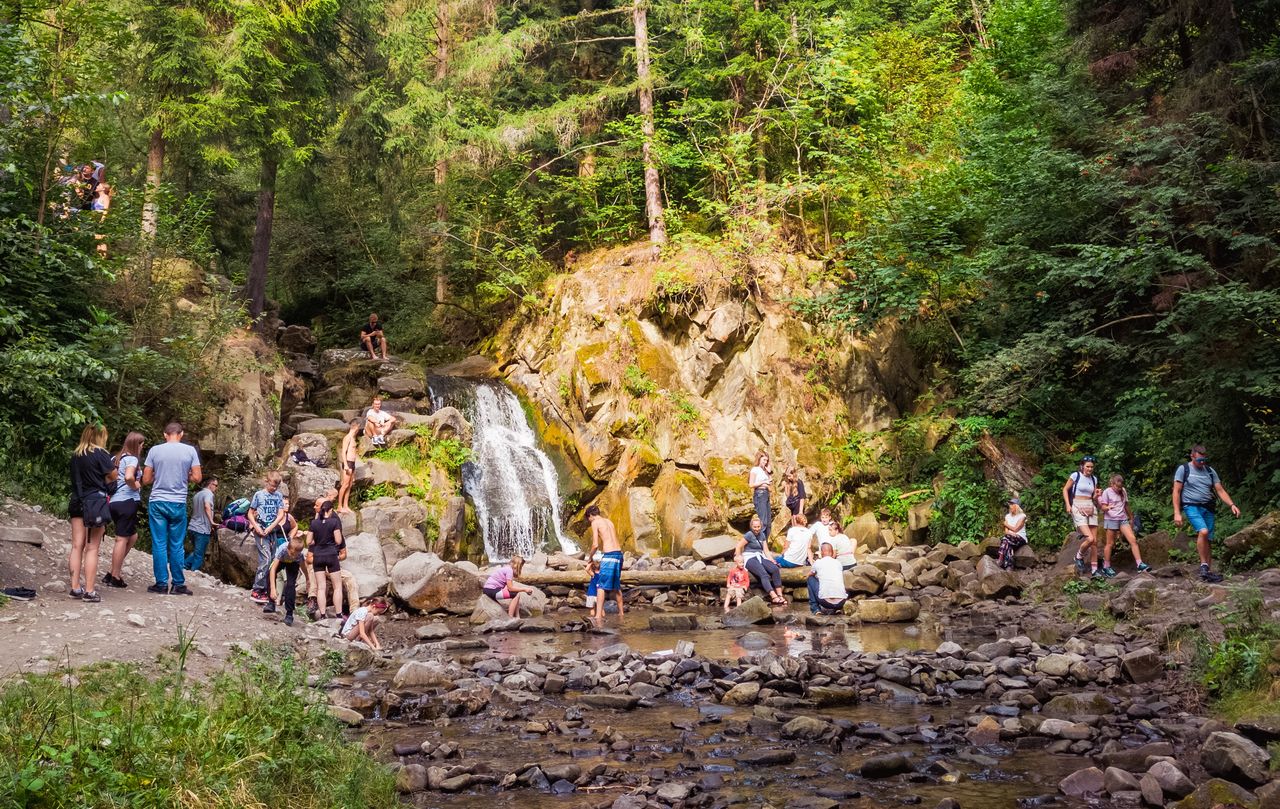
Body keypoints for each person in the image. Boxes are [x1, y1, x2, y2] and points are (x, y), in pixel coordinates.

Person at [141, 422, 202, 595]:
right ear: (181, 434)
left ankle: (161, 584)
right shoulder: (190, 451)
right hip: (178, 502)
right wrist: (186, 475)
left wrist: (158, 474)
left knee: (159, 543)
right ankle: (178, 584)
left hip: (158, 501)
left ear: (165, 434)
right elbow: (198, 478)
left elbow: (146, 480)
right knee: (176, 544)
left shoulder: (155, 450)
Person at [1173, 445, 1241, 583]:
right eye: (1199, 460)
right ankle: (1203, 565)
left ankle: (1207, 573)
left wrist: (1232, 504)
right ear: (1192, 456)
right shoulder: (1184, 469)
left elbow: (1220, 490)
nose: (1202, 463)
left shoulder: (1210, 471)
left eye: (1204, 460)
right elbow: (1176, 491)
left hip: (1208, 507)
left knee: (1208, 540)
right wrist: (1177, 512)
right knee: (1203, 532)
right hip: (1191, 506)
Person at [69, 424, 116, 603]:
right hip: (95, 502)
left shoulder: (76, 455)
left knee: (76, 546)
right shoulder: (101, 454)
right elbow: (114, 475)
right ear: (100, 436)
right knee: (92, 548)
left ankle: (75, 587)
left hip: (77, 501)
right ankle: (89, 591)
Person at [104, 431, 144, 588]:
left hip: (113, 502)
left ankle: (112, 571)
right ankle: (115, 576)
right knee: (122, 539)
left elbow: (107, 477)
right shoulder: (132, 459)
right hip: (126, 502)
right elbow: (128, 477)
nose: (142, 448)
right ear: (136, 445)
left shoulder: (115, 458)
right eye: (141, 445)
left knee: (132, 536)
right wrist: (136, 485)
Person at [247, 471, 288, 604]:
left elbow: (281, 514)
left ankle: (266, 589)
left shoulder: (278, 496)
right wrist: (256, 527)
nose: (273, 489)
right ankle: (257, 589)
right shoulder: (259, 495)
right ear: (266, 482)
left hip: (272, 531)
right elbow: (250, 513)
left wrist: (271, 527)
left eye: (276, 487)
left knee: (272, 559)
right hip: (260, 531)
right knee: (265, 558)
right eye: (271, 486)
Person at [1096, 475, 1148, 576]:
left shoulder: (1123, 491)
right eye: (1117, 487)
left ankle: (1140, 564)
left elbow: (1126, 505)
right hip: (1111, 519)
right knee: (1110, 544)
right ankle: (1106, 566)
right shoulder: (1107, 492)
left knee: (1132, 540)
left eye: (1120, 487)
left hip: (1123, 519)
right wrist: (1107, 508)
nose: (1119, 489)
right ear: (1112, 484)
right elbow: (1102, 507)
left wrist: (1131, 517)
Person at [734, 515, 787, 606]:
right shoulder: (749, 535)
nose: (757, 529)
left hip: (760, 556)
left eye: (758, 527)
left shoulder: (762, 535)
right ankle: (773, 596)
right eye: (755, 527)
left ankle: (780, 595)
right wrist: (738, 559)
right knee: (763, 574)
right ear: (751, 526)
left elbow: (765, 550)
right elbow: (738, 546)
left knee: (774, 569)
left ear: (761, 526)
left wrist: (771, 560)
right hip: (750, 558)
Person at [1063, 455, 1102, 577]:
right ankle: (1078, 556)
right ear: (1082, 466)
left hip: (1090, 506)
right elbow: (1065, 490)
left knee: (1094, 541)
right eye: (1087, 466)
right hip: (1077, 505)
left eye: (1091, 467)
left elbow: (1093, 497)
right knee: (1089, 538)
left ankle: (1095, 570)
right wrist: (1068, 505)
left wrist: (1097, 495)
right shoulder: (1076, 476)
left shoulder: (1094, 479)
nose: (1090, 469)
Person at [264, 533, 314, 626]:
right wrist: (273, 590)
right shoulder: (283, 550)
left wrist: (307, 579)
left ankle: (289, 614)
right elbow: (273, 570)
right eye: (291, 553)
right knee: (268, 574)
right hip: (281, 561)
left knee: (290, 585)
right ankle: (271, 603)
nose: (293, 556)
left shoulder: (299, 556)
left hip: (293, 565)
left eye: (296, 555)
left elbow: (303, 567)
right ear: (288, 549)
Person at [586, 505, 625, 622]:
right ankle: (621, 613)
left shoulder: (595, 522)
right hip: (619, 554)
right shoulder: (609, 521)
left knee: (600, 586)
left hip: (609, 555)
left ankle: (598, 616)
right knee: (616, 585)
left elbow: (595, 545)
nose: (589, 521)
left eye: (588, 519)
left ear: (590, 516)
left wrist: (590, 557)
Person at [309, 499, 346, 619]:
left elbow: (309, 541)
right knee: (337, 586)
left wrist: (318, 541)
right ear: (330, 510)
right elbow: (338, 541)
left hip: (318, 555)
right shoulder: (334, 522)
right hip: (331, 555)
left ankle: (323, 614)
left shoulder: (314, 523)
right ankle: (339, 614)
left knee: (321, 587)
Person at [185, 477, 219, 572]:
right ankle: (193, 573)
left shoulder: (197, 494)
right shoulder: (209, 494)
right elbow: (206, 506)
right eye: (215, 485)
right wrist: (211, 522)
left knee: (197, 552)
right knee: (199, 555)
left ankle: (183, 567)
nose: (216, 488)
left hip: (192, 527)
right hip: (201, 529)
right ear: (210, 484)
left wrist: (210, 526)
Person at [807, 543, 848, 615]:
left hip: (825, 602)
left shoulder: (818, 562)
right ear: (832, 553)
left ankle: (815, 609)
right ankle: (838, 609)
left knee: (810, 579)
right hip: (841, 602)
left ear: (821, 552)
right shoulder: (838, 563)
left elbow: (810, 574)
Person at [997, 497, 1028, 570]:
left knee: (1005, 539)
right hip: (1010, 537)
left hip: (1020, 538)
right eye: (1010, 504)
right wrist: (1011, 533)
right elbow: (1006, 532)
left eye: (1011, 504)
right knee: (1006, 541)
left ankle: (1000, 559)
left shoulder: (1022, 516)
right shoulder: (1007, 516)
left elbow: (1016, 529)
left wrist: (1006, 524)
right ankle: (1009, 566)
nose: (1010, 506)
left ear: (1016, 506)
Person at [748, 451, 774, 536]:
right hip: (759, 494)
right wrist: (763, 482)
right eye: (764, 460)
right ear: (759, 459)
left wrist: (769, 472)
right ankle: (759, 543)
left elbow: (770, 483)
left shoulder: (764, 470)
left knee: (769, 522)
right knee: (763, 521)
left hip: (766, 494)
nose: (765, 462)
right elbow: (751, 484)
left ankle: (765, 544)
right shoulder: (754, 469)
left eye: (767, 460)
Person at [337, 419, 360, 512]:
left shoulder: (353, 438)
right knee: (345, 484)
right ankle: (339, 506)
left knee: (350, 485)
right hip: (348, 463)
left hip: (352, 463)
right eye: (358, 427)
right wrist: (346, 465)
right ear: (356, 427)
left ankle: (346, 505)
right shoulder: (347, 438)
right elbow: (343, 452)